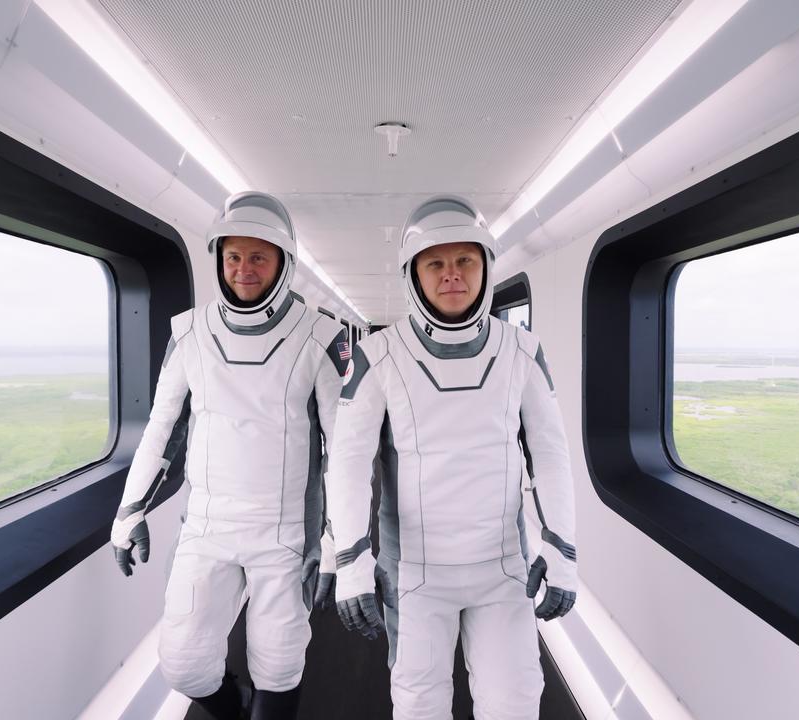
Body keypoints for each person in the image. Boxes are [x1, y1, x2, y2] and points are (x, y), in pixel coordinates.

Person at [322, 196, 578, 719]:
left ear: (485, 267)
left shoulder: (522, 351)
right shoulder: (378, 355)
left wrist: (563, 550)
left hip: (504, 568)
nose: (452, 275)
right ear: (414, 275)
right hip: (414, 574)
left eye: (465, 261)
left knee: (515, 707)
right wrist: (351, 561)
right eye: (435, 263)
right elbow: (347, 463)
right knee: (419, 707)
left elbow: (550, 456)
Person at [110, 191, 349, 720]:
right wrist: (130, 510)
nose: (244, 269)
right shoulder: (189, 332)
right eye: (233, 256)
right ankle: (233, 704)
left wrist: (338, 544)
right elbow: (161, 427)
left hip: (286, 534)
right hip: (208, 527)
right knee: (184, 665)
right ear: (219, 258)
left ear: (283, 263)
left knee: (280, 667)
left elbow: (345, 453)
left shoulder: (320, 338)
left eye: (258, 256)